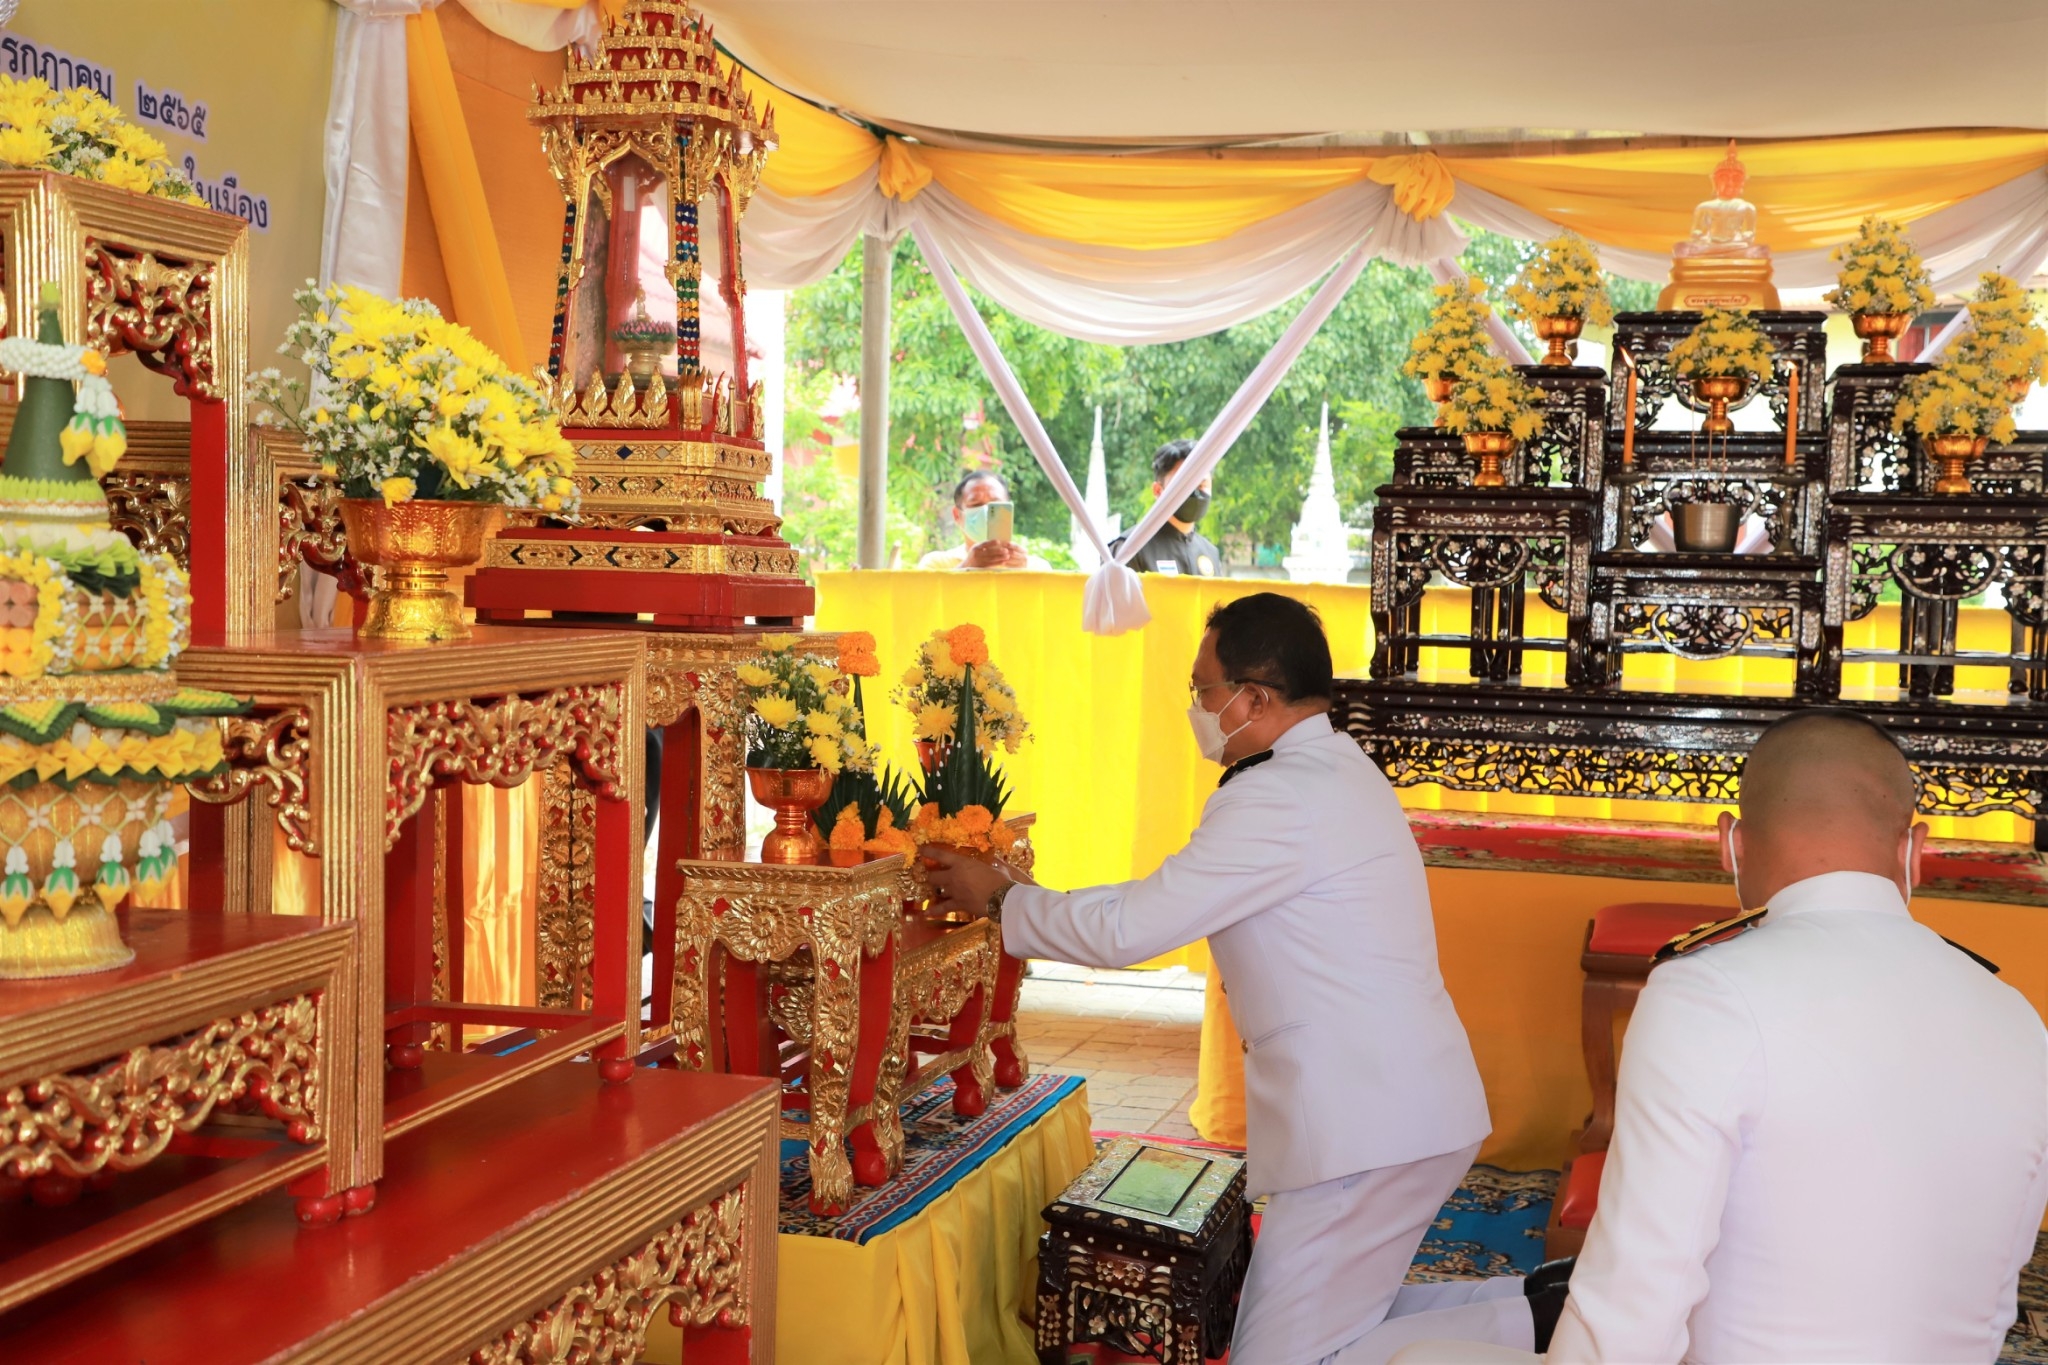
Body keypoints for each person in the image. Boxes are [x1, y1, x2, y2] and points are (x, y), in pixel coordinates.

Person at [925, 593, 1542, 1364]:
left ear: (1254, 698)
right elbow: (1147, 901)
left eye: (1204, 690)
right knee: (1346, 1324)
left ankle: (1552, 1324)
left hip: (1363, 1128)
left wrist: (1006, 900)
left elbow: (1132, 926)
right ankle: (1542, 1311)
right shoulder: (1335, 767)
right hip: (1397, 1109)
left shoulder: (1278, 796)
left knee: (1281, 1355)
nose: (1198, 708)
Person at [1400, 711, 2048, 1365]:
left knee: (1416, 1358)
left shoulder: (1710, 994)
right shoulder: (2019, 1018)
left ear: (1731, 843)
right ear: (1915, 849)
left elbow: (1634, 1306)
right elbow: (1997, 1293)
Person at [1110, 439, 1224, 577]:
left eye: (1201, 485)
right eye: (1184, 484)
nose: (1194, 492)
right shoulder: (1129, 550)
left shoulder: (1210, 553)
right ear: (1158, 490)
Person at [916, 469, 1048, 571]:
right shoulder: (936, 565)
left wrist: (1025, 574)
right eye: (975, 505)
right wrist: (967, 567)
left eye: (995, 505)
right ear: (957, 515)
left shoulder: (1037, 568)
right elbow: (927, 603)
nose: (986, 512)